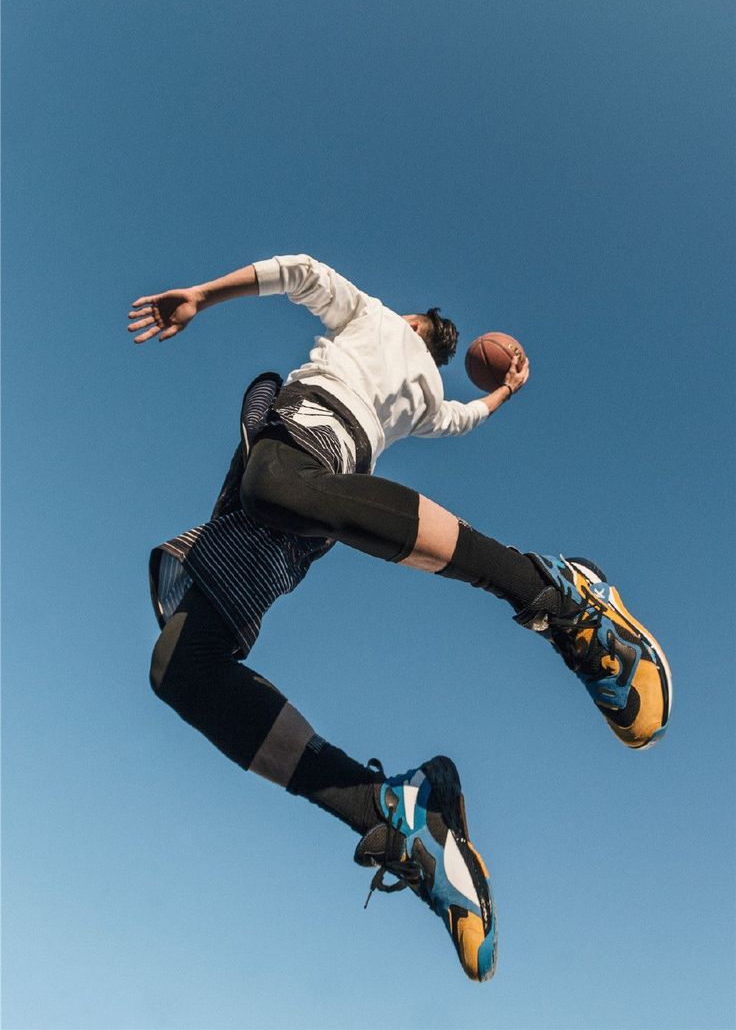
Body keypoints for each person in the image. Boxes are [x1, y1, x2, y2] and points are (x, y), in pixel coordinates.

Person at [129, 254, 672, 983]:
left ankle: (557, 592)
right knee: (180, 669)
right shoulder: (388, 338)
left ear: (421, 331)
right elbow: (312, 280)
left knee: (276, 484)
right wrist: (504, 390)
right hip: (294, 491)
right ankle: (394, 814)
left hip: (302, 469)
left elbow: (308, 277)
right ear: (423, 329)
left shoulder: (405, 366)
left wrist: (205, 294)